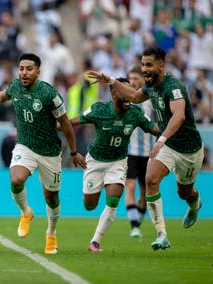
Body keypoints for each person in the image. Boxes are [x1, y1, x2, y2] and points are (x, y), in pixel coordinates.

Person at [86, 45, 204, 251]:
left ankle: (194, 204)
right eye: (142, 65)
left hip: (189, 149)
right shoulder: (150, 88)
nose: (144, 69)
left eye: (149, 65)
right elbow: (133, 96)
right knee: (150, 180)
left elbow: (179, 116)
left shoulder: (173, 86)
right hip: (168, 146)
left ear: (161, 66)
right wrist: (111, 81)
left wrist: (161, 139)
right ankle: (161, 234)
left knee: (184, 192)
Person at [0, 53, 86, 255]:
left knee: (51, 197)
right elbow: (2, 96)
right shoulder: (16, 87)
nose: (24, 73)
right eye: (21, 68)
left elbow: (65, 124)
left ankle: (51, 234)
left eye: (29, 69)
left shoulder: (48, 94)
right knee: (16, 178)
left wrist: (73, 152)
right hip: (25, 145)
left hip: (50, 151)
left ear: (38, 71)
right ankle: (26, 212)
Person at [68, 77, 158, 252]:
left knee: (113, 199)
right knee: (89, 205)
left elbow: (153, 128)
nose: (128, 96)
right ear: (113, 93)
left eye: (130, 92)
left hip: (117, 162)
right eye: (123, 91)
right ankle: (95, 188)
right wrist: (53, 125)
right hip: (95, 162)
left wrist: (174, 131)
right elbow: (71, 122)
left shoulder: (135, 113)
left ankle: (95, 241)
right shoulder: (100, 109)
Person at [125, 66, 155, 238]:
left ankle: (137, 224)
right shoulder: (125, 98)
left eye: (136, 78)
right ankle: (134, 225)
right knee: (130, 186)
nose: (133, 82)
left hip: (148, 153)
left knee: (145, 191)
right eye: (131, 78)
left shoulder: (150, 99)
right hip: (130, 152)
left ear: (143, 80)